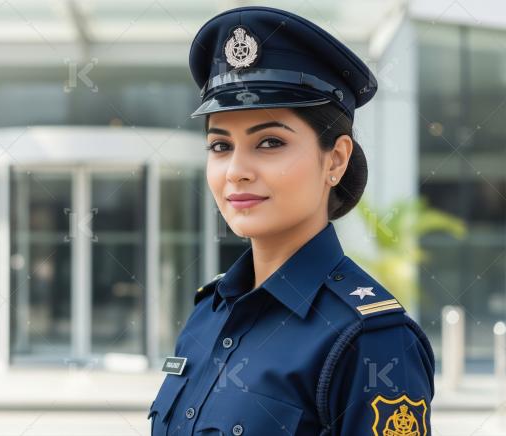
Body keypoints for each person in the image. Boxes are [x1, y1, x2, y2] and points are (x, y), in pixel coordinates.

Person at [147, 6, 435, 436]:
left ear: (335, 159)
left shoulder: (371, 341)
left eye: (269, 142)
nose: (236, 171)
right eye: (220, 146)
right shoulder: (207, 315)